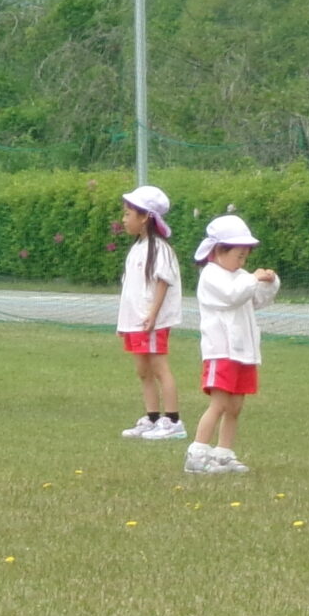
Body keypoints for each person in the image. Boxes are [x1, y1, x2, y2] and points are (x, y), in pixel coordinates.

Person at [187, 212, 278, 476]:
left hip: (243, 352)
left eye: (245, 256)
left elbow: (255, 299)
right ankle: (197, 454)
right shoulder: (211, 275)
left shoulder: (240, 275)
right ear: (219, 251)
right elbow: (232, 296)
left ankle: (223, 453)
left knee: (235, 406)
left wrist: (269, 282)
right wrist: (253, 278)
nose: (242, 261)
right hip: (221, 351)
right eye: (239, 255)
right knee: (219, 404)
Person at [113, 184, 185, 441]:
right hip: (135, 322)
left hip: (150, 322)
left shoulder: (160, 249)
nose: (124, 220)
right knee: (143, 370)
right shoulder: (137, 248)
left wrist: (153, 315)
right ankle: (152, 418)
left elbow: (163, 282)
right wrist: (125, 322)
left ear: (144, 217)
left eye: (128, 214)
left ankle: (173, 421)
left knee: (159, 368)